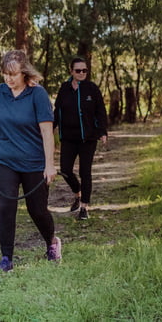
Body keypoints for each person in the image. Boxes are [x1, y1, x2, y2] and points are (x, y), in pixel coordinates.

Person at [0, 50, 61, 272]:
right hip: (4, 159)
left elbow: (47, 132)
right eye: (5, 74)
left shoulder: (37, 95)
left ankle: (52, 242)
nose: (8, 79)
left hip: (34, 162)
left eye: (13, 74)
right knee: (6, 207)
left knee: (38, 210)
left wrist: (50, 164)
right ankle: (6, 258)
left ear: (24, 73)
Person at [53, 57, 108, 221]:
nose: (82, 73)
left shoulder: (92, 89)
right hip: (68, 138)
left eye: (84, 70)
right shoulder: (64, 89)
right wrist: (49, 128)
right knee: (65, 170)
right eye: (78, 70)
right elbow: (57, 111)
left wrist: (102, 131)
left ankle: (84, 207)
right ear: (71, 71)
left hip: (88, 139)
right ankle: (78, 193)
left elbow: (101, 111)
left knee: (86, 172)